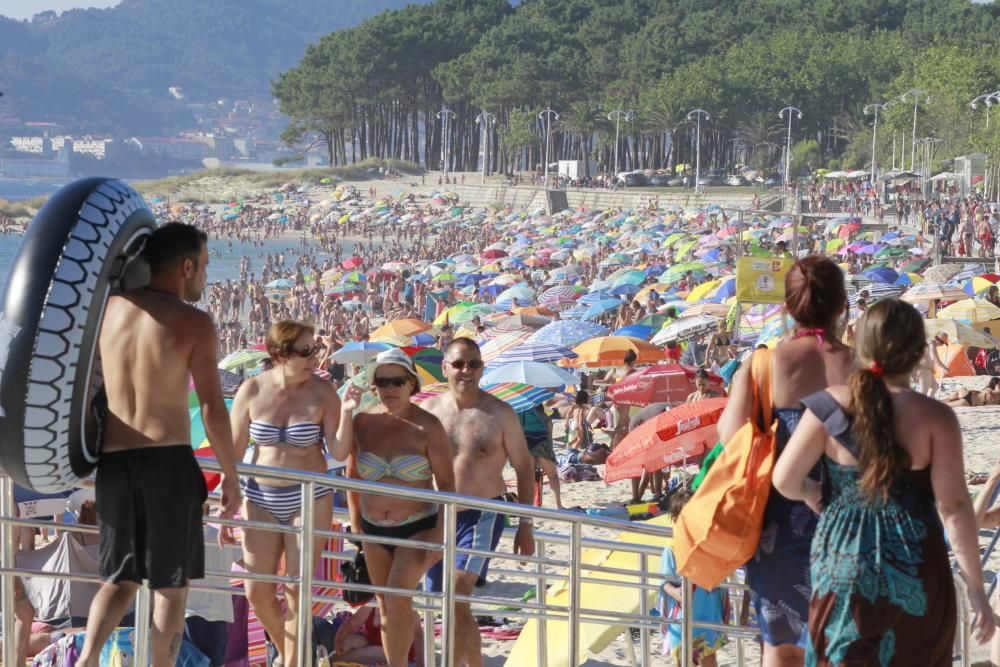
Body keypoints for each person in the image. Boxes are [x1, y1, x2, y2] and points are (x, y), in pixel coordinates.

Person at [773, 299, 995, 663]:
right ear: (920, 352)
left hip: (842, 558)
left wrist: (818, 496)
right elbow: (954, 509)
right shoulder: (935, 417)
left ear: (860, 347)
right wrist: (976, 590)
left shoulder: (828, 405)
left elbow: (785, 479)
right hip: (914, 561)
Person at [77, 223, 241, 667]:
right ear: (186, 266)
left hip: (113, 463)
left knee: (118, 580)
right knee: (171, 584)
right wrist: (231, 475)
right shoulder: (193, 322)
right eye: (204, 266)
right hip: (167, 461)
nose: (205, 276)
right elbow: (212, 409)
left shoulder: (109, 310)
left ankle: (87, 659)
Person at [716, 255, 853, 667]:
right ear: (842, 307)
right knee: (841, 644)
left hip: (777, 523)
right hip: (847, 522)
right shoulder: (863, 367)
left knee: (781, 648)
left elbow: (730, 438)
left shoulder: (762, 365)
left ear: (787, 308)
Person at [227, 319, 344, 666]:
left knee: (296, 589)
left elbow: (337, 451)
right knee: (257, 591)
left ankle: (293, 662)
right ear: (279, 353)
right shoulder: (251, 390)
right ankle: (297, 654)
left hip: (308, 496)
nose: (314, 358)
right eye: (306, 351)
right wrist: (226, 501)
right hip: (260, 495)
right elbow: (233, 452)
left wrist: (349, 411)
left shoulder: (323, 392)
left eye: (316, 350)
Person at [337, 348, 455, 667]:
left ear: (411, 384)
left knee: (396, 597)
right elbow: (351, 473)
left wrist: (441, 533)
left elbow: (446, 483)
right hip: (373, 527)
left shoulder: (428, 426)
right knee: (386, 607)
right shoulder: (362, 422)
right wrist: (355, 522)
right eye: (383, 381)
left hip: (418, 526)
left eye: (397, 381)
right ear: (374, 385)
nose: (390, 388)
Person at [422, 338, 535, 667]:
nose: (466, 371)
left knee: (456, 593)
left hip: (483, 513)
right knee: (444, 601)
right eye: (458, 364)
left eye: (473, 363)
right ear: (445, 368)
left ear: (483, 368)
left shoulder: (500, 414)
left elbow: (525, 468)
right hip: (437, 516)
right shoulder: (428, 412)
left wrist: (525, 526)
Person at [518, 403, 563, 509]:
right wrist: (550, 447)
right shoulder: (541, 409)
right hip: (541, 441)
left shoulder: (518, 410)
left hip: (526, 443)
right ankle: (558, 505)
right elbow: (549, 426)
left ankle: (528, 506)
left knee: (529, 477)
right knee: (552, 476)